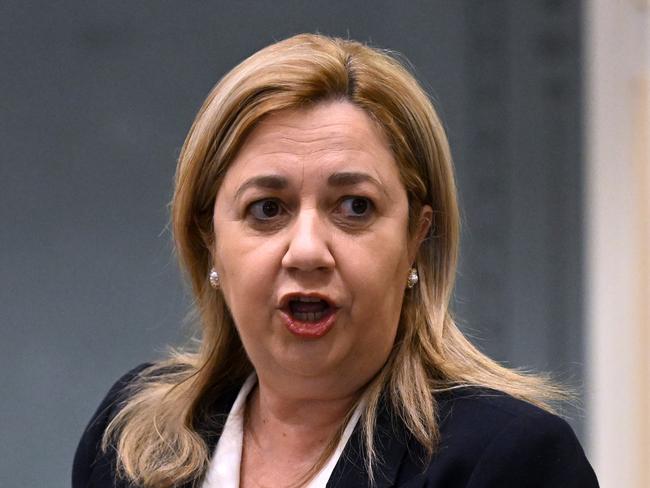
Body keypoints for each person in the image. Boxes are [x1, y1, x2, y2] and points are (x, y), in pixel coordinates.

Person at [72, 33, 599, 488]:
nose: (306, 251)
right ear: (209, 238)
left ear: (417, 237)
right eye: (267, 209)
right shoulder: (133, 436)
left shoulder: (507, 461)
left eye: (354, 207)